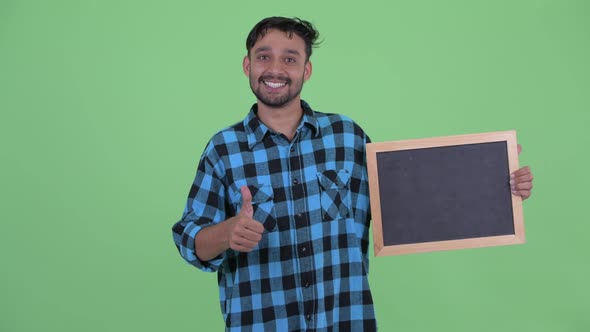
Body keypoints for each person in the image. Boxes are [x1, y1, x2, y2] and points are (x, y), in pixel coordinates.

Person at [172, 16, 534, 331]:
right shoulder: (223, 148)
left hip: (345, 320)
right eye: (264, 56)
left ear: (306, 70)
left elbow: (407, 204)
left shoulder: (347, 137)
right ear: (247, 65)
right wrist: (227, 232)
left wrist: (495, 181)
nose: (276, 69)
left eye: (290, 58)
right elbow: (189, 240)